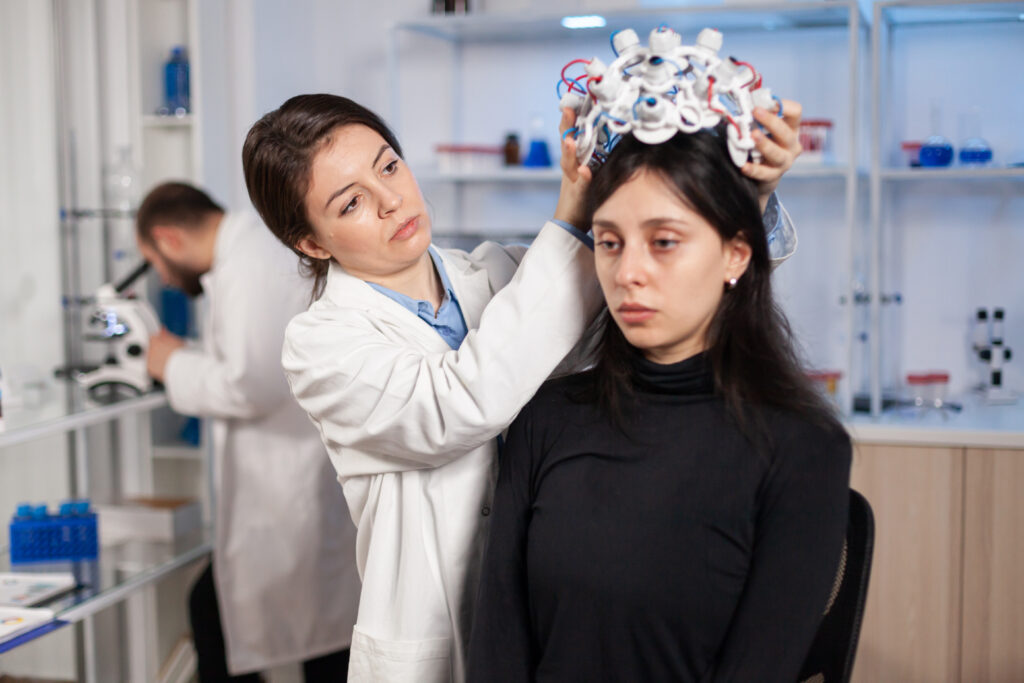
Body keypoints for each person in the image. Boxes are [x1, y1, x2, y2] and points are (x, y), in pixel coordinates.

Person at [241, 93, 803, 682]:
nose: (390, 200)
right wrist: (571, 212)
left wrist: (749, 191)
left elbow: (655, 310)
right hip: (438, 648)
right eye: (352, 202)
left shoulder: (501, 274)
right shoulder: (320, 344)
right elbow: (460, 404)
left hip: (551, 623)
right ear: (311, 242)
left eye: (388, 166)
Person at [466, 129, 852, 682]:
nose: (627, 274)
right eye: (609, 241)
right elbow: (498, 651)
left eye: (664, 242)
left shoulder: (803, 447)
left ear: (736, 254)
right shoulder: (546, 417)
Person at [137, 182, 360, 682]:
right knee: (316, 635)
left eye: (153, 261)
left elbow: (250, 386)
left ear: (168, 239)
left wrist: (172, 364)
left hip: (291, 487)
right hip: (290, 482)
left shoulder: (248, 263)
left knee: (322, 639)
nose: (163, 279)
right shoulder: (246, 253)